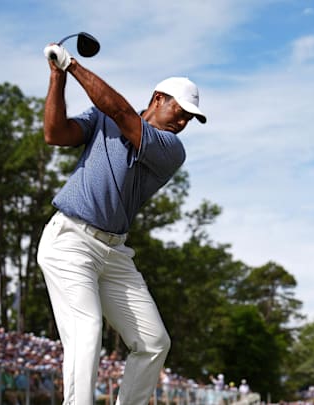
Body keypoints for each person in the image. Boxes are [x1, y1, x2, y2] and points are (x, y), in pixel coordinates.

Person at [37, 41, 207, 404]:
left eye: (190, 118)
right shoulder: (101, 118)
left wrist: (73, 66)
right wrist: (57, 78)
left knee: (153, 342)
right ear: (158, 98)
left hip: (114, 253)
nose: (183, 121)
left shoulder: (170, 149)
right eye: (180, 110)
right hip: (69, 241)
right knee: (86, 331)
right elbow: (56, 134)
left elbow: (124, 116)